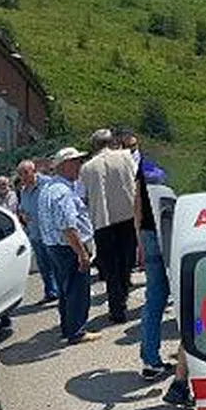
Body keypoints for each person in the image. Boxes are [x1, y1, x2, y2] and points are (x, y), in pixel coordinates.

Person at [37, 147, 101, 346]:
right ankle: (76, 331)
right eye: (76, 162)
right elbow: (68, 227)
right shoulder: (62, 191)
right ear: (65, 165)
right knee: (77, 290)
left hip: (54, 247)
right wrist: (82, 253)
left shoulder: (48, 188)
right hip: (68, 247)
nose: (80, 166)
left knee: (66, 290)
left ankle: (68, 327)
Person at [80, 129, 139, 323]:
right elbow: (136, 181)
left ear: (94, 145)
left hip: (102, 221)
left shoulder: (87, 168)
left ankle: (117, 307)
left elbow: (82, 196)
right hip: (127, 216)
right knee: (126, 261)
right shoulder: (126, 157)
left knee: (110, 267)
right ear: (111, 141)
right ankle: (122, 296)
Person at [129, 141, 170, 380]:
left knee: (153, 300)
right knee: (186, 297)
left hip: (148, 235)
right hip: (170, 234)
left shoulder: (140, 171)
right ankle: (192, 359)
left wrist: (140, 244)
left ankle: (150, 360)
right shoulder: (165, 171)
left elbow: (136, 209)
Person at [15, 160, 60, 303]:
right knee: (44, 266)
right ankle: (51, 292)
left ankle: (64, 290)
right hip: (35, 233)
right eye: (20, 174)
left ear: (34, 171)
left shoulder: (47, 183)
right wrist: (23, 215)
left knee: (57, 264)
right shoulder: (23, 191)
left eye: (25, 173)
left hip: (51, 233)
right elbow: (22, 209)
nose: (23, 177)